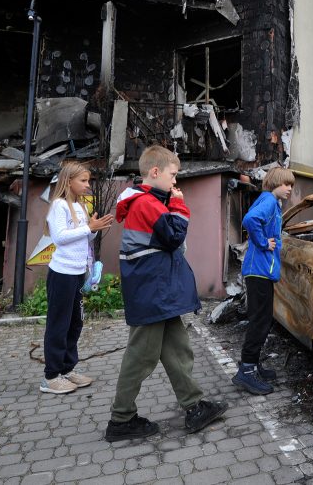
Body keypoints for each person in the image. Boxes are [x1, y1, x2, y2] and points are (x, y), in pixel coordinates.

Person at [104, 145, 228, 441]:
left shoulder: (147, 201)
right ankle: (121, 420)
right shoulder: (147, 203)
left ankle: (194, 406)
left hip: (158, 292)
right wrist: (180, 206)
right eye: (173, 175)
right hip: (153, 292)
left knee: (177, 350)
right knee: (141, 356)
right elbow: (173, 237)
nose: (176, 182)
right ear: (155, 172)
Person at [40, 162, 113, 394]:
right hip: (61, 274)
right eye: (83, 180)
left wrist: (93, 229)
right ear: (68, 181)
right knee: (58, 324)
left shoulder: (80, 207)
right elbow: (60, 238)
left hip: (77, 273)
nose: (87, 185)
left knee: (75, 323)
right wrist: (88, 228)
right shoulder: (59, 206)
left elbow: (84, 240)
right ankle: (51, 377)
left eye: (88, 180)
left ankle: (67, 369)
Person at [232, 167, 296, 395]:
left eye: (291, 185)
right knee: (260, 321)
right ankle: (246, 372)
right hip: (258, 271)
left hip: (260, 271)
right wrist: (261, 242)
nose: (289, 189)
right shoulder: (269, 200)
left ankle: (253, 364)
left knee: (262, 319)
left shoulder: (270, 202)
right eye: (286, 184)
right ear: (275, 183)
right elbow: (250, 220)